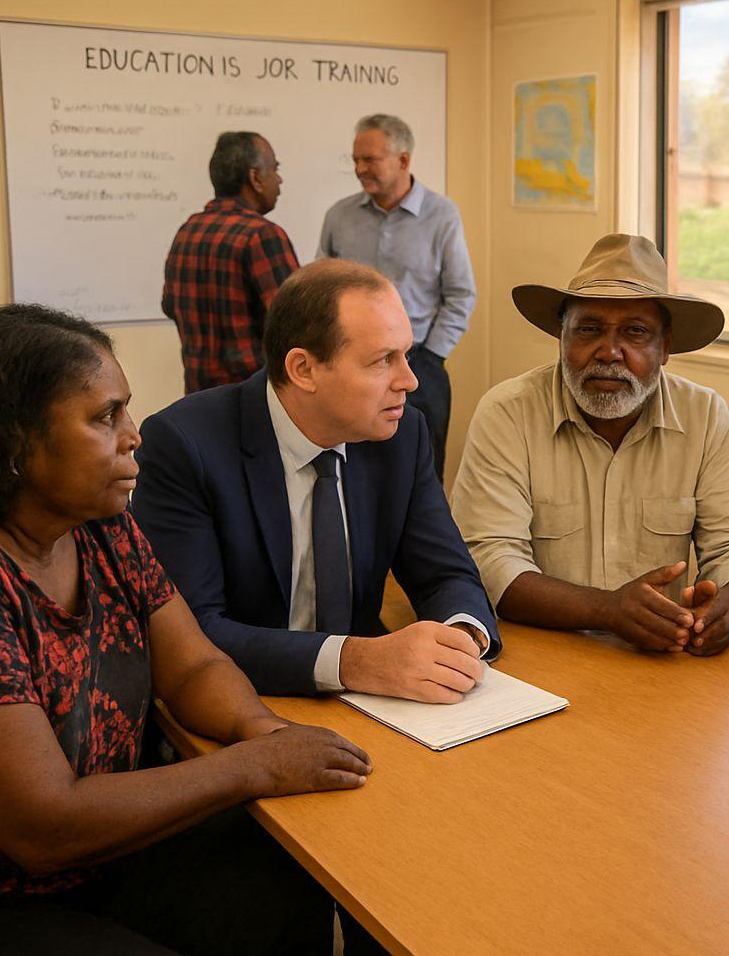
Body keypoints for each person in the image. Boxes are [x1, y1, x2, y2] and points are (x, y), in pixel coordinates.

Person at [0, 305, 372, 954]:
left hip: (105, 857)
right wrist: (252, 766)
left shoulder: (99, 520)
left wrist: (256, 727)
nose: (134, 436)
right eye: (105, 417)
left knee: (284, 863)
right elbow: (43, 827)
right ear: (14, 439)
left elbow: (193, 667)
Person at [133, 259, 499, 700]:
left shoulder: (402, 434)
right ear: (303, 369)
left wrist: (460, 634)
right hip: (245, 702)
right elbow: (191, 635)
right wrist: (355, 661)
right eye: (384, 360)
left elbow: (445, 574)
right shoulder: (184, 444)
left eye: (407, 353)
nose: (410, 380)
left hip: (372, 701)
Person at [451, 233, 729, 656]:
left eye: (635, 332)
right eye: (588, 329)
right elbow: (488, 559)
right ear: (561, 338)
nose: (609, 352)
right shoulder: (507, 413)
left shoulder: (704, 415)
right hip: (539, 657)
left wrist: (725, 608)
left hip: (662, 664)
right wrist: (606, 610)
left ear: (665, 349)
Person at [318, 114, 475, 480]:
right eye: (355, 160)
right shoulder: (339, 216)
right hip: (351, 367)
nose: (359, 169)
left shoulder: (442, 216)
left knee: (420, 476)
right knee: (352, 473)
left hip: (420, 365)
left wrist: (432, 358)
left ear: (403, 160)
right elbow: (321, 291)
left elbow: (460, 294)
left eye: (369, 159)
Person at [163, 131, 299, 393]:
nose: (279, 179)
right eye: (275, 169)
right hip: (253, 397)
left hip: (198, 398)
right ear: (255, 177)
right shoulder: (263, 235)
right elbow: (297, 323)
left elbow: (170, 305)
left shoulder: (188, 229)